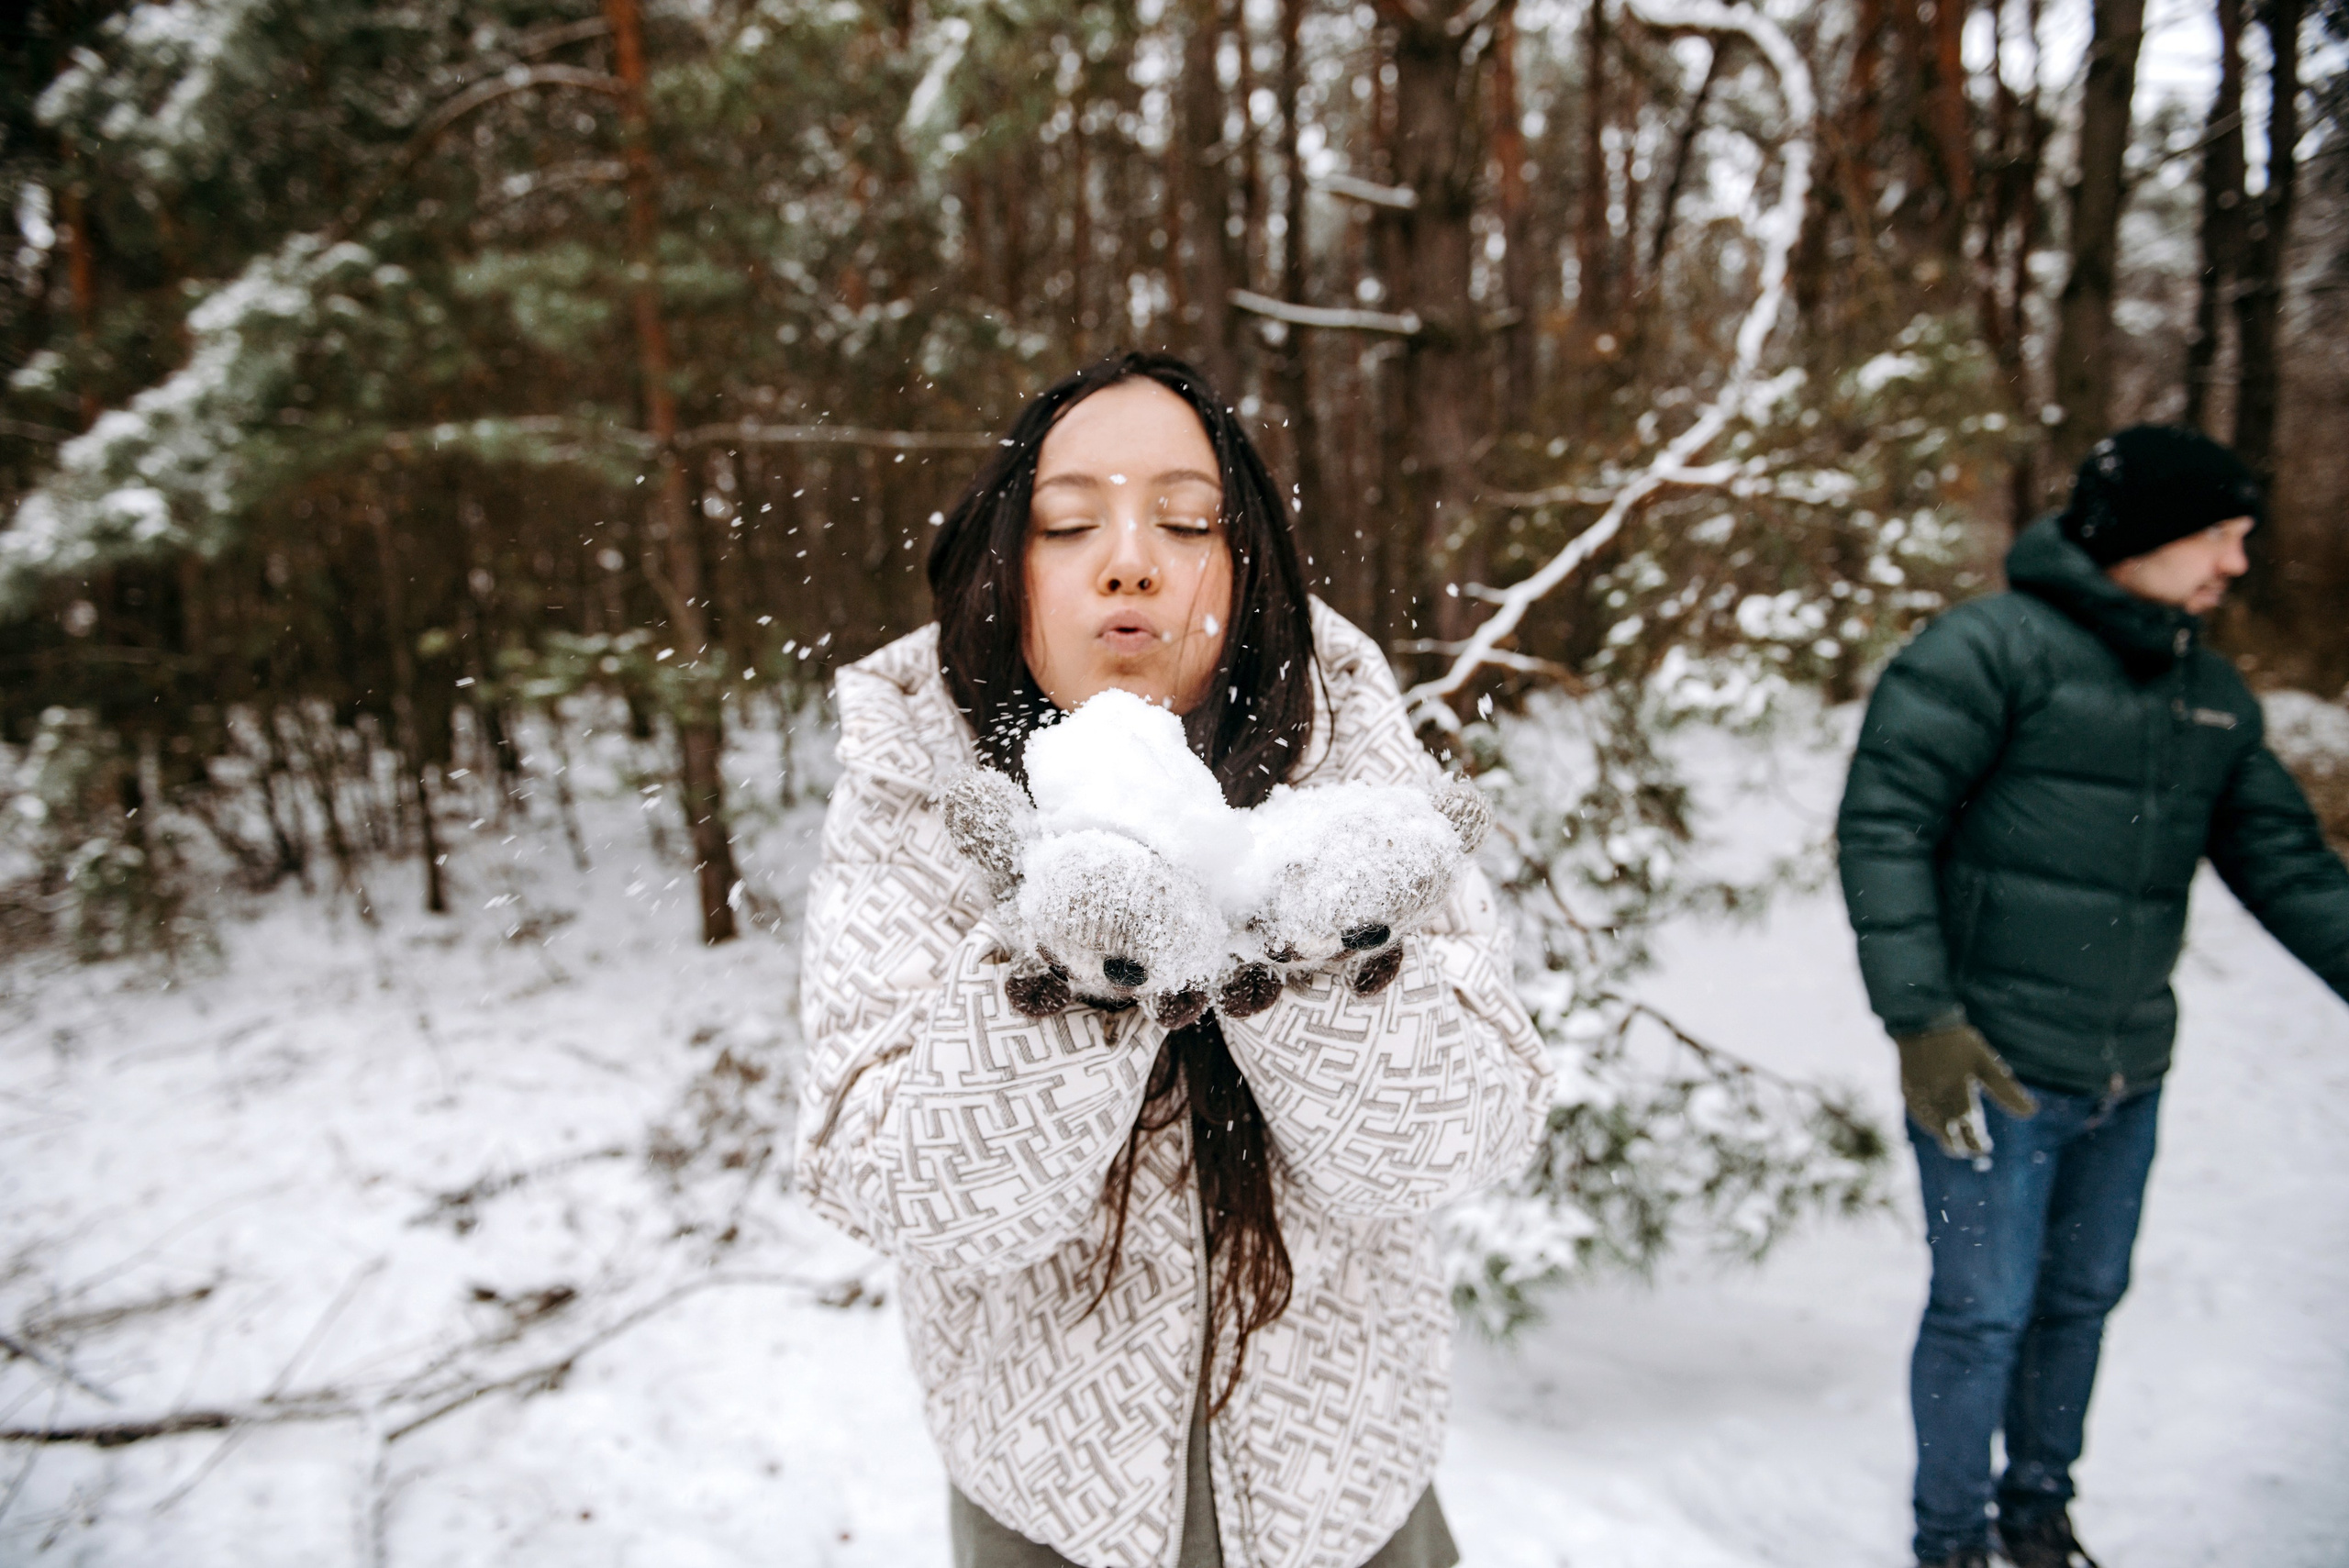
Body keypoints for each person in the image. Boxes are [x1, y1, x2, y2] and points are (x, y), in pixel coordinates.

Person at [795, 351, 1553, 1568]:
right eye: (1068, 521)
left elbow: (1461, 1139)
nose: (1130, 556)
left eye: (1187, 518)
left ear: (1245, 568)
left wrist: (1315, 961)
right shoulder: (919, 788)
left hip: (1348, 1499)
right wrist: (1071, 976)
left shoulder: (1354, 757)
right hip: (1048, 1510)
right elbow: (889, 1179)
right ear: (1013, 569)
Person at [1836, 424, 2349, 1568]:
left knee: (2079, 1303)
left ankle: (2034, 1520)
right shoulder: (1983, 654)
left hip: (2127, 1074)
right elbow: (1883, 828)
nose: (2235, 563)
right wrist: (1922, 1019)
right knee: (1981, 1312)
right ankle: (1950, 1540)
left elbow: (2290, 866)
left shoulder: (2206, 691)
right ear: (2141, 536)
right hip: (1990, 1065)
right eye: (2218, 536)